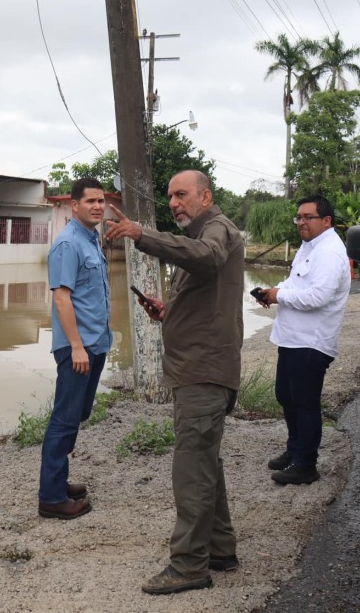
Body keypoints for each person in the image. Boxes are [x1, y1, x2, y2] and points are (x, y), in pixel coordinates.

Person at [104, 170, 244, 596]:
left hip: (204, 372)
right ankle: (219, 548)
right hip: (196, 368)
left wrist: (141, 233)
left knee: (191, 472)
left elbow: (206, 257)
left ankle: (188, 566)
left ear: (206, 196)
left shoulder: (216, 231)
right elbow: (205, 287)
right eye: (170, 197)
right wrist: (170, 310)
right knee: (205, 464)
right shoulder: (203, 234)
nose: (174, 203)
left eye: (182, 195)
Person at [255, 195, 351, 485]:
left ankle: (306, 464)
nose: (301, 222)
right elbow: (296, 284)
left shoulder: (330, 252)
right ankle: (294, 450)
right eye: (298, 217)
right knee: (286, 396)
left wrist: (278, 295)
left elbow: (318, 296)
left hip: (311, 342)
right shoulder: (309, 248)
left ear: (326, 221)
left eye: (308, 217)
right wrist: (273, 291)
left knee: (305, 403)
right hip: (292, 338)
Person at [38, 177, 112, 520]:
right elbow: (61, 297)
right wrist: (77, 347)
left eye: (101, 201)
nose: (97, 206)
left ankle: (58, 480)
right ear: (74, 205)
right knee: (65, 419)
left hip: (95, 343)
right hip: (77, 349)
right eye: (90, 201)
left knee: (77, 414)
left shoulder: (92, 239)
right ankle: (52, 498)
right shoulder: (68, 243)